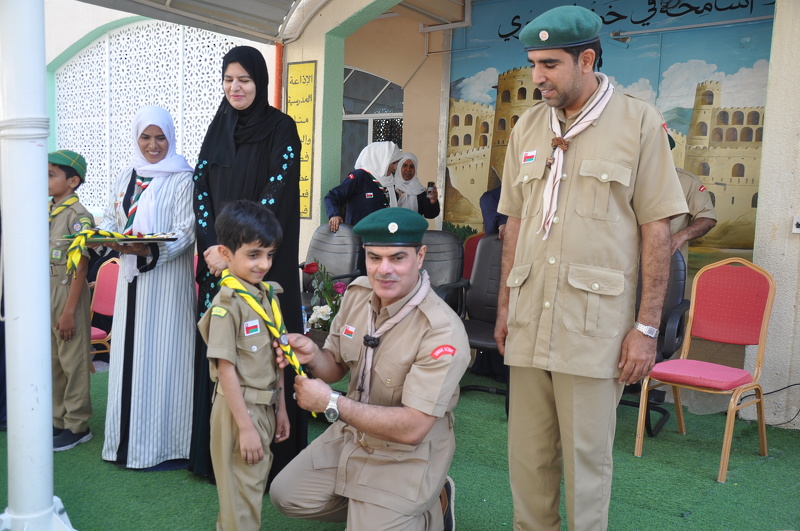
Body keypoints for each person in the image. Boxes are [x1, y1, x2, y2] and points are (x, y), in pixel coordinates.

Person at [493, 6, 688, 530]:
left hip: (594, 328)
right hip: (530, 319)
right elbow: (514, 222)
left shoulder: (638, 122)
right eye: (533, 63)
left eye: (550, 64)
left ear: (586, 59)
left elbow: (656, 231)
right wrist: (505, 307)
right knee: (528, 461)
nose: (537, 77)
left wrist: (647, 328)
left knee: (586, 467)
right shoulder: (528, 126)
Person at [270, 208, 470, 531]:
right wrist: (313, 355)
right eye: (374, 257)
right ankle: (376, 507)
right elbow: (335, 367)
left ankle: (432, 504)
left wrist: (331, 403)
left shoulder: (441, 331)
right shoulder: (358, 294)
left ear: (420, 256)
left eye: (397, 258)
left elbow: (413, 428)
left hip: (406, 452)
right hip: (354, 434)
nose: (383, 270)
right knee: (286, 495)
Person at [191, 45, 305, 480]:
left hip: (261, 262)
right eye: (228, 79)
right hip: (217, 261)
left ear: (260, 81)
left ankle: (276, 455)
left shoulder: (281, 129)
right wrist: (213, 248)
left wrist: (237, 251)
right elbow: (200, 189)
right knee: (222, 350)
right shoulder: (217, 127)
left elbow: (275, 194)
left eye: (244, 79)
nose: (235, 88)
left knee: (263, 349)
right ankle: (214, 455)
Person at [99, 106, 196, 469]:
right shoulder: (128, 173)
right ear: (136, 138)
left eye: (160, 138)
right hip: (130, 281)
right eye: (145, 137)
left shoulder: (183, 179)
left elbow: (186, 232)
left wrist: (149, 250)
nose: (153, 145)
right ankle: (124, 445)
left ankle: (167, 447)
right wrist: (107, 238)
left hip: (167, 285)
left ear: (171, 138)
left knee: (165, 359)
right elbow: (113, 218)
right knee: (129, 357)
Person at [197, 200, 290, 531]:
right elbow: (225, 370)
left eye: (269, 254)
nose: (264, 264)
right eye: (253, 254)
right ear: (225, 253)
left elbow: (277, 355)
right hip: (239, 413)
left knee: (249, 492)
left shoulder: (266, 296)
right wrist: (246, 427)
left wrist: (281, 408)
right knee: (241, 504)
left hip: (264, 407)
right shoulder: (228, 306)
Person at [48, 150, 94, 451]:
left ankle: (77, 425)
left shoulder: (78, 216)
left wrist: (68, 311)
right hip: (47, 289)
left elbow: (81, 266)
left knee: (72, 359)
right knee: (53, 359)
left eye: (51, 175)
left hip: (68, 291)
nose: (45, 180)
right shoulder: (48, 210)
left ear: (73, 181)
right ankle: (58, 420)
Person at [323, 141, 402, 232]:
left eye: (397, 163)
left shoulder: (390, 182)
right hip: (359, 237)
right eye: (393, 163)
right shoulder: (359, 177)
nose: (395, 168)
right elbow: (332, 196)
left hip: (382, 236)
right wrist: (334, 215)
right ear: (381, 159)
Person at [670, 170, 717, 261]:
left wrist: (680, 237)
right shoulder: (639, 178)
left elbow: (708, 219)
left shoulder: (688, 181)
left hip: (670, 262)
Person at [393, 153, 440, 219]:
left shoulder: (420, 192)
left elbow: (429, 215)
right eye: (404, 165)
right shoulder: (391, 188)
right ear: (399, 167)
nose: (408, 169)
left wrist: (433, 201)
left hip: (414, 225)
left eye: (412, 166)